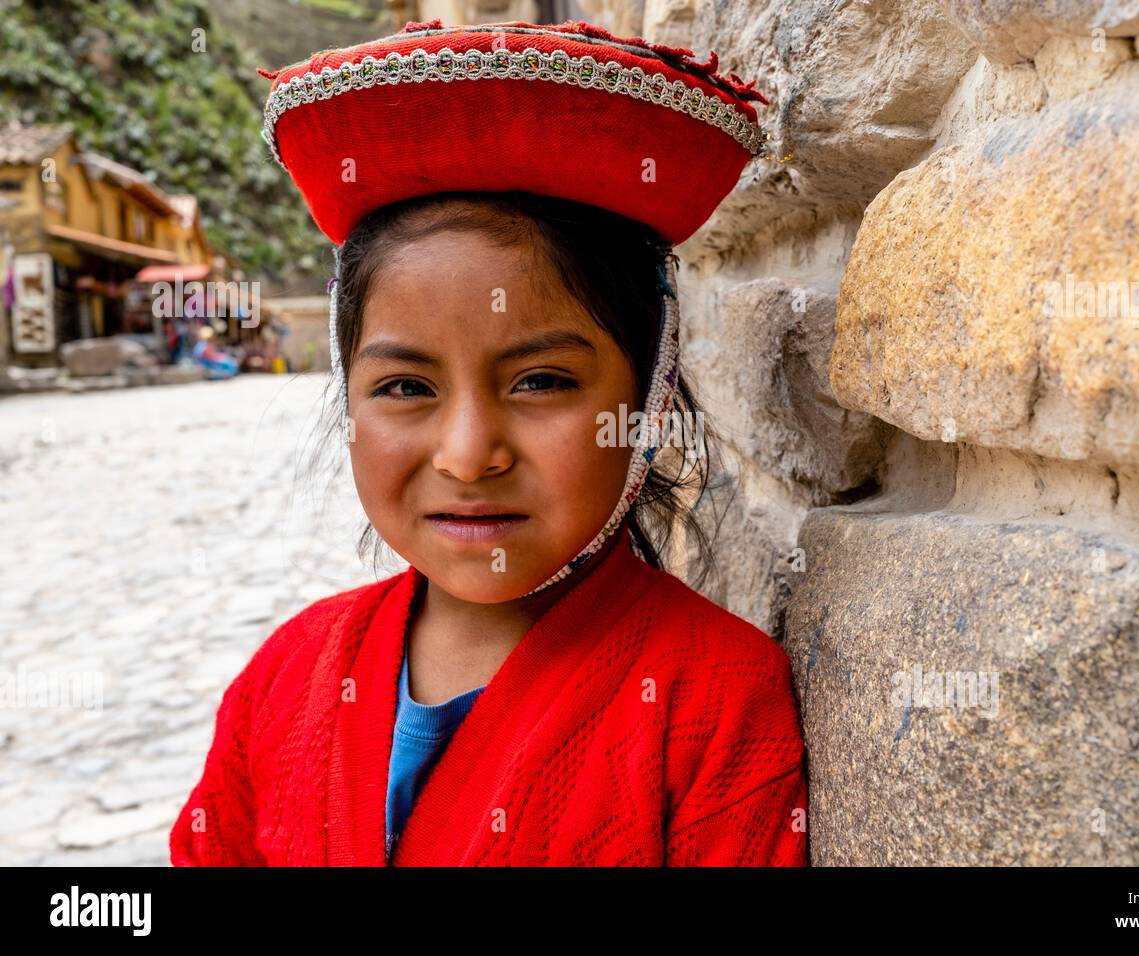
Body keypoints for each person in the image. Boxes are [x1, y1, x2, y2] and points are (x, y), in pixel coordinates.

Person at [169, 18, 807, 867]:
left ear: (652, 394)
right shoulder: (282, 679)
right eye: (406, 388)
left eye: (540, 382)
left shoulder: (714, 702)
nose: (469, 456)